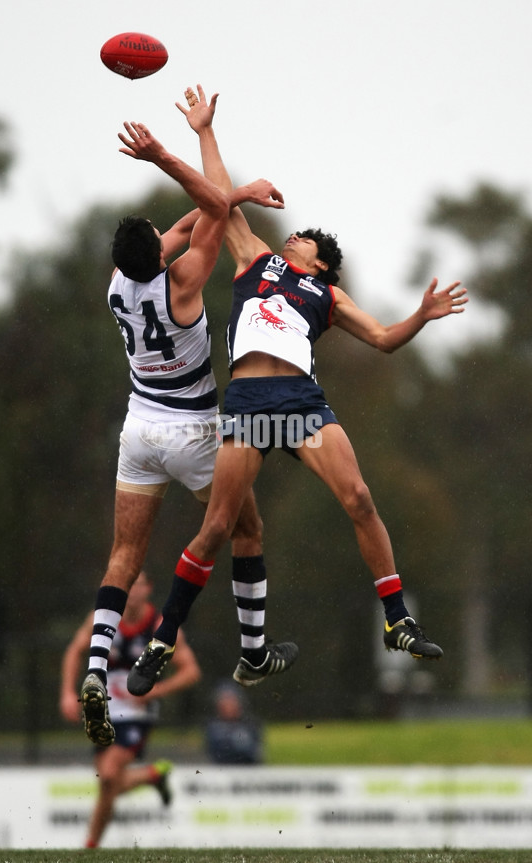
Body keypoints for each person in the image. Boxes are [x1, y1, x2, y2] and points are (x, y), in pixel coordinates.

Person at [126, 84, 469, 695]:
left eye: (302, 240)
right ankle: (161, 640)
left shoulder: (327, 295)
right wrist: (204, 132)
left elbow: (386, 339)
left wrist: (422, 314)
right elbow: (216, 202)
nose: (290, 238)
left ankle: (397, 622)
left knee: (360, 498)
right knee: (217, 528)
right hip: (250, 405)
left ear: (320, 263)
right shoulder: (257, 260)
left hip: (304, 404)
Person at [80, 116, 287, 746]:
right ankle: (253, 649)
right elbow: (210, 209)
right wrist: (175, 158)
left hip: (138, 428)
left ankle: (96, 668)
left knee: (124, 554)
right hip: (193, 429)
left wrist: (234, 192)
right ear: (160, 254)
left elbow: (201, 212)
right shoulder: (185, 282)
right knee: (245, 528)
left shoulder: (120, 284)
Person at [61, 570, 201, 848]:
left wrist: (155, 692)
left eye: (138, 585)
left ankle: (90, 844)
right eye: (129, 585)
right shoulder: (102, 620)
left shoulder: (160, 626)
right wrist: (66, 693)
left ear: (148, 589)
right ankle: (151, 776)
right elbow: (74, 651)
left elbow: (191, 671)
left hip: (138, 714)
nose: (133, 591)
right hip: (104, 712)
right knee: (107, 782)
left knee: (110, 774)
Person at [205, 682, 263, 765]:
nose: (228, 704)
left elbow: (255, 754)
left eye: (231, 700)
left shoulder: (251, 725)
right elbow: (214, 753)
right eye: (224, 700)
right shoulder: (212, 727)